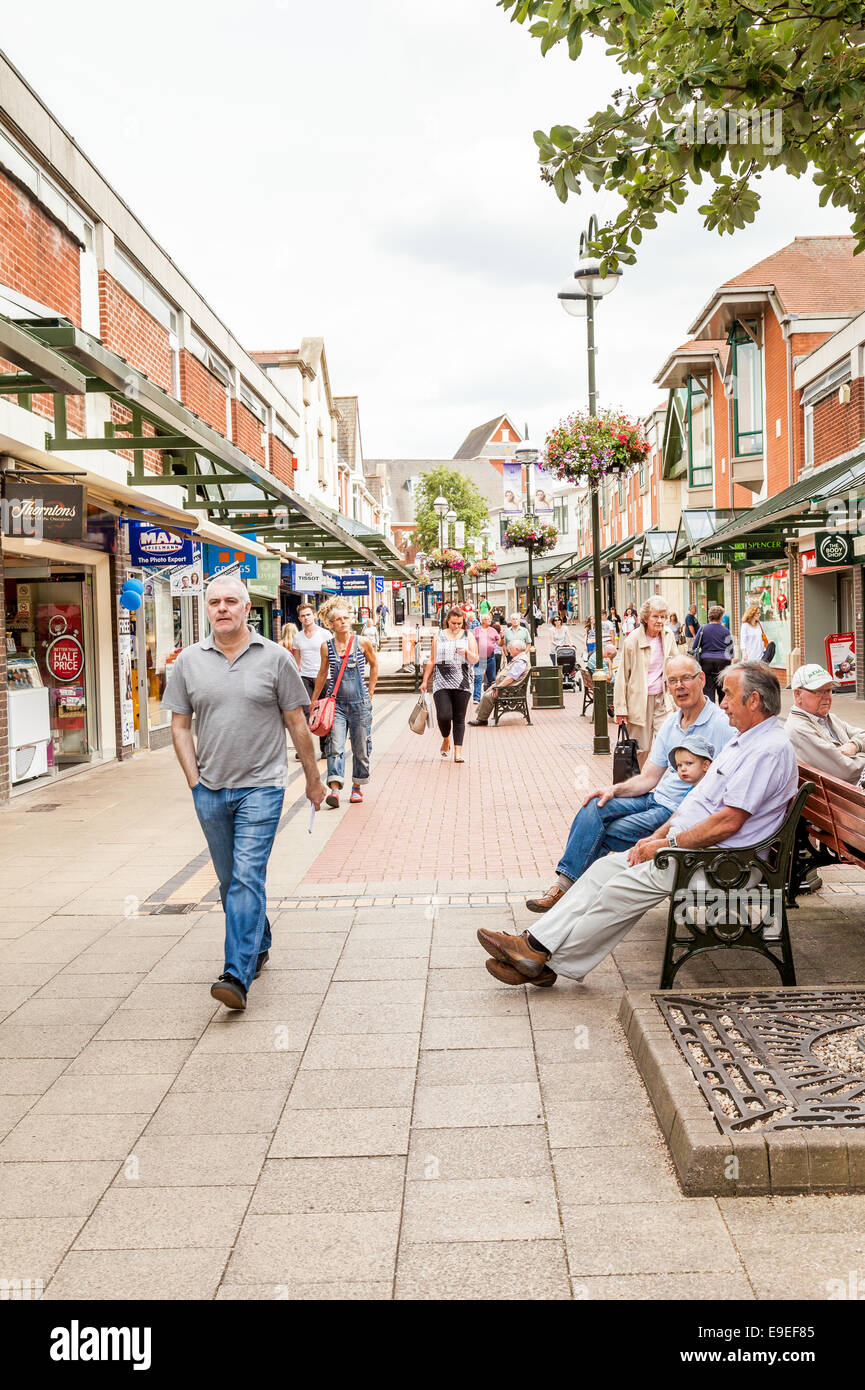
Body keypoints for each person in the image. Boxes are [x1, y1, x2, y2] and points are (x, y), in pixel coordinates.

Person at [480, 663, 796, 987]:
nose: (724, 702)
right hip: (699, 850)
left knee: (618, 889)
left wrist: (666, 845)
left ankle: (543, 957)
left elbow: (728, 823)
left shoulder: (766, 750)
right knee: (604, 870)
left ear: (754, 700)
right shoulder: (744, 740)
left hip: (726, 863)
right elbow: (699, 800)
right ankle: (535, 948)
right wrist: (658, 835)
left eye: (729, 695)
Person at [163, 574, 325, 1011]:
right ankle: (260, 938)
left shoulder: (275, 658)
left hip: (263, 786)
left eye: (230, 601)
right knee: (230, 879)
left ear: (246, 607)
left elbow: (297, 723)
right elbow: (179, 724)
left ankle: (236, 973)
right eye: (214, 601)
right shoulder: (188, 662)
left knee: (248, 876)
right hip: (210, 789)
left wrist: (312, 778)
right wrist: (194, 779)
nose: (222, 609)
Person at [525, 654, 733, 911]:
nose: (679, 686)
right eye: (672, 681)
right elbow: (649, 778)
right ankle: (566, 887)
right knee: (595, 805)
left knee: (600, 832)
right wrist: (615, 789)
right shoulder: (671, 723)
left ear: (701, 680)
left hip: (674, 813)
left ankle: (569, 895)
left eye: (685, 679)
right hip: (653, 799)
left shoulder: (722, 725)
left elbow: (723, 785)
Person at [310, 598, 379, 807]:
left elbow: (374, 666)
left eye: (345, 618)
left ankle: (357, 787)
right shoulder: (326, 647)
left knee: (361, 748)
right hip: (336, 705)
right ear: (330, 624)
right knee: (335, 747)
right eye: (338, 620)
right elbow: (323, 673)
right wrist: (314, 700)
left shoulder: (362, 642)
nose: (343, 622)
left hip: (360, 704)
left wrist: (371, 693)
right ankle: (335, 789)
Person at [613, 596, 677, 768]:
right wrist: (621, 709)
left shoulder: (668, 635)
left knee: (670, 742)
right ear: (646, 618)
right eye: (655, 616)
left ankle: (669, 787)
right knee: (641, 749)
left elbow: (675, 664)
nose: (660, 621)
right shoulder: (632, 640)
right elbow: (622, 677)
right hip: (639, 702)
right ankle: (632, 784)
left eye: (663, 617)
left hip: (662, 699)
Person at [784, 663, 865, 783]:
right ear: (798, 694)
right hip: (848, 797)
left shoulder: (828, 718)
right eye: (819, 691)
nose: (827, 697)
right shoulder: (799, 729)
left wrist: (854, 745)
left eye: (829, 690)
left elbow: (862, 734)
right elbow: (846, 769)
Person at [420, 605, 478, 761]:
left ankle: (458, 752)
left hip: (463, 681)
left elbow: (475, 659)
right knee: (444, 715)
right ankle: (446, 738)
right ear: (447, 621)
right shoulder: (439, 636)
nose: (457, 626)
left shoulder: (468, 636)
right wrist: (425, 680)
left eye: (459, 623)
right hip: (441, 681)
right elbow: (432, 660)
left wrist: (465, 652)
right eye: (453, 623)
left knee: (459, 717)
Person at [292, 602, 331, 760]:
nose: (306, 618)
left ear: (314, 615)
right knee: (306, 714)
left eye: (308, 614)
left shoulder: (325, 634)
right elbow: (296, 658)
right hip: (305, 678)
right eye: (303, 615)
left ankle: (326, 748)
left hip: (324, 678)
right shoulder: (297, 637)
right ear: (299, 618)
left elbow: (331, 657)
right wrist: (296, 676)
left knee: (323, 713)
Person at [468, 637, 530, 727]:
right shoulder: (518, 658)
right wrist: (495, 685)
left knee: (488, 696)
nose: (509, 651)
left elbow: (511, 678)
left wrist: (498, 687)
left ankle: (482, 719)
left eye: (511, 649)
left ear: (517, 649)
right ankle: (480, 717)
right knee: (487, 692)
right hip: (508, 687)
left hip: (512, 690)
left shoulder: (521, 661)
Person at [691, 603, 735, 703]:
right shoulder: (726, 631)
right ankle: (723, 713)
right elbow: (731, 651)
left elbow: (694, 646)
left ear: (709, 616)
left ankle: (710, 714)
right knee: (722, 691)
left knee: (708, 690)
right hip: (723, 662)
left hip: (706, 662)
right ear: (720, 617)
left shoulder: (702, 629)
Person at [473, 610, 502, 701]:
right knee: (478, 677)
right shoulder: (476, 630)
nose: (490, 620)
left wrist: (503, 639)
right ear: (482, 620)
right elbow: (471, 642)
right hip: (480, 656)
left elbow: (499, 643)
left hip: (490, 657)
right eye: (487, 619)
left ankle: (491, 697)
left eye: (490, 619)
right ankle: (476, 698)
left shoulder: (493, 630)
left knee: (492, 678)